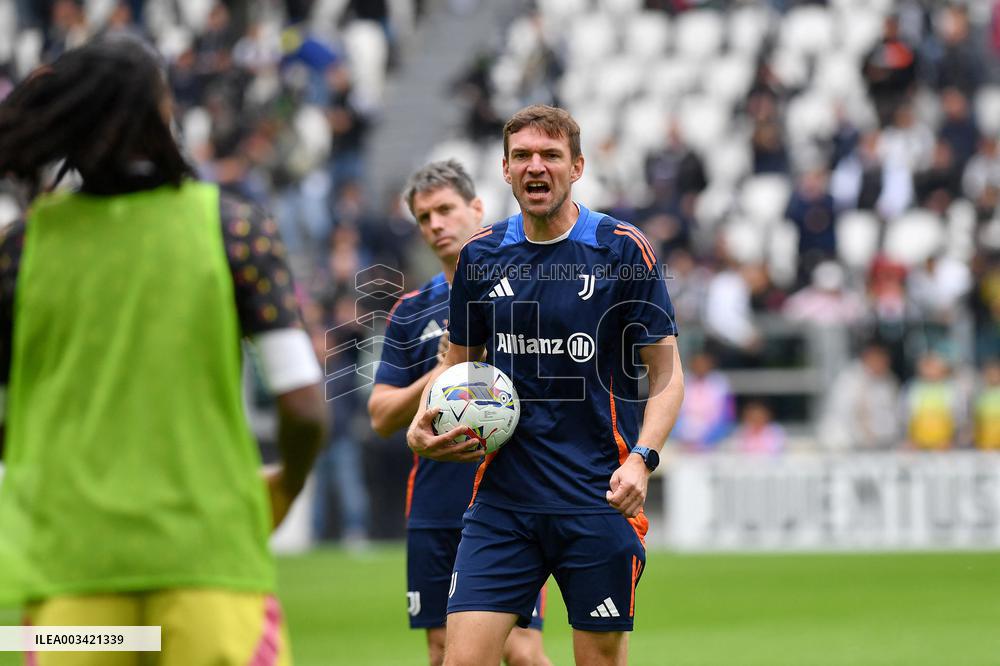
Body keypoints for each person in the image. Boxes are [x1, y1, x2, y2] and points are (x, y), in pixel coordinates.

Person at [0, 35, 326, 665]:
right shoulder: (234, 228)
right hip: (210, 564)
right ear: (163, 116)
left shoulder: (20, 251)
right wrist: (282, 488)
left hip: (71, 576)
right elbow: (306, 408)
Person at [407, 106, 685, 666]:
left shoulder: (621, 249)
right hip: (503, 503)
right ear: (505, 170)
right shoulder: (480, 257)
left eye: (551, 155)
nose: (537, 167)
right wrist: (424, 417)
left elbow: (668, 373)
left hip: (597, 497)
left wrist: (643, 460)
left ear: (577, 166)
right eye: (523, 157)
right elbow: (457, 368)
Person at [367, 160, 551, 666]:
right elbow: (381, 415)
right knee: (440, 646)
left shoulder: (518, 293)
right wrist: (446, 371)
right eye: (424, 217)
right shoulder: (410, 310)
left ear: (476, 209)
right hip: (433, 502)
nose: (436, 225)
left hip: (509, 498)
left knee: (521, 648)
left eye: (445, 210)